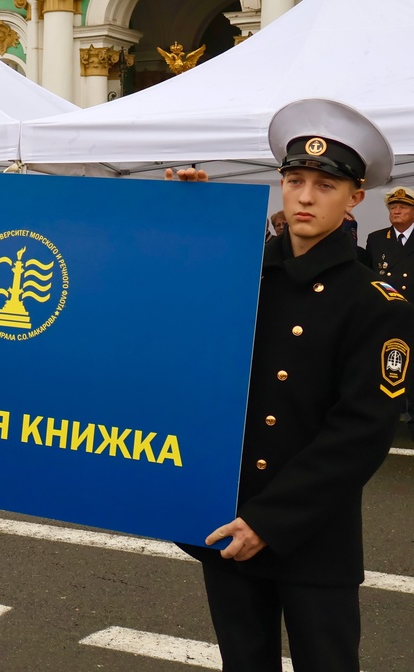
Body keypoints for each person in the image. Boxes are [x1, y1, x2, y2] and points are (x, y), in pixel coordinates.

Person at [175, 99, 414, 672]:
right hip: (228, 524)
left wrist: (270, 521)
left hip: (310, 536)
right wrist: (189, 217)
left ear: (357, 198)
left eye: (326, 185)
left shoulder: (376, 303)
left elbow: (360, 432)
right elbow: (174, 324)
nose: (305, 196)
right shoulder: (239, 276)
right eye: (295, 179)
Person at [364, 187, 414, 297]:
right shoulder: (376, 239)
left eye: (403, 207)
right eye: (392, 208)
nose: (396, 211)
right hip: (386, 306)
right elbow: (369, 276)